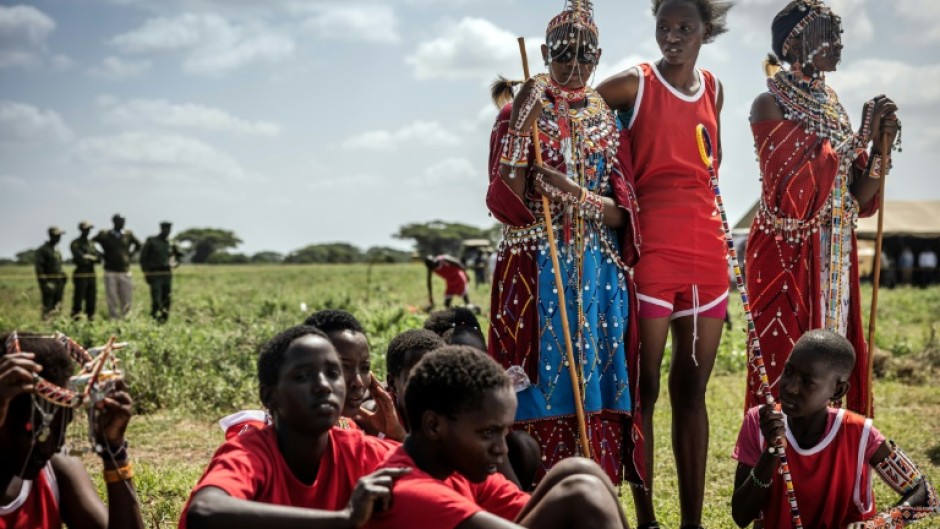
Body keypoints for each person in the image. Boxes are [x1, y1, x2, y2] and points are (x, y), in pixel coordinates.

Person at [486, 0, 643, 488]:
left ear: (598, 57)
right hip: (532, 268)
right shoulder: (518, 111)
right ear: (544, 52)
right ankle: (532, 489)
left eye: (585, 55)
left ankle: (594, 490)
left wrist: (574, 195)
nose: (573, 65)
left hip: (597, 270)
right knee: (532, 374)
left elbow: (626, 214)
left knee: (595, 383)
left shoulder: (609, 119)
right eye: (562, 54)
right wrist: (518, 130)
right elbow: (503, 200)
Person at [596, 1, 733, 526]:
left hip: (708, 253)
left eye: (684, 28)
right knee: (646, 389)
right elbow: (577, 108)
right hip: (652, 249)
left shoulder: (716, 90)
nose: (672, 37)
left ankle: (693, 523)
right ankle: (648, 518)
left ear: (706, 32)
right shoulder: (635, 82)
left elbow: (710, 172)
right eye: (664, 27)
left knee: (692, 392)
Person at [742, 0, 899, 417]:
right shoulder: (768, 104)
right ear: (794, 43)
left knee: (831, 363)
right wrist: (861, 137)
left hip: (833, 253)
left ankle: (829, 456)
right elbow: (796, 197)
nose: (838, 44)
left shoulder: (832, 104)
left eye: (837, 34)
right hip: (785, 259)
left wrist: (881, 148)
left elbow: (858, 198)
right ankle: (779, 469)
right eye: (827, 35)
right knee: (789, 367)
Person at [364, 346, 633, 529]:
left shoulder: (454, 468)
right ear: (434, 425)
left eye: (503, 432)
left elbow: (525, 511)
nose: (502, 450)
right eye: (488, 433)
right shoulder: (411, 492)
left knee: (579, 469)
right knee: (582, 495)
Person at [179, 325, 409, 529]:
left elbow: (431, 470)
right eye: (303, 376)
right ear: (269, 396)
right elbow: (204, 511)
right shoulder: (251, 454)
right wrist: (344, 519)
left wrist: (398, 434)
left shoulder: (356, 448)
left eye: (332, 373)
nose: (323, 386)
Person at [731, 330, 939, 529]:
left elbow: (927, 495)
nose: (791, 387)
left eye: (807, 381)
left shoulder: (859, 434)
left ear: (837, 390)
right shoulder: (759, 422)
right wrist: (771, 452)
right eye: (788, 371)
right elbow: (741, 516)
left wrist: (880, 524)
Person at [0, 332, 144, 529]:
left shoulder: (56, 467)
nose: (56, 445)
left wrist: (114, 451)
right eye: (38, 430)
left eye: (61, 431)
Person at [304, 309, 404, 440]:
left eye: (365, 368)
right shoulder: (287, 438)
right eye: (343, 367)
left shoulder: (349, 426)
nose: (358, 382)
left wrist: (395, 434)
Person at [93, 214, 141, 320]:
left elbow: (139, 244)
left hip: (125, 270)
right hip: (110, 271)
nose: (122, 223)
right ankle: (113, 318)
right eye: (119, 221)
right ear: (114, 222)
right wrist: (100, 254)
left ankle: (127, 318)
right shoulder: (105, 234)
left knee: (126, 297)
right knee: (112, 297)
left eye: (123, 221)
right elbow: (92, 242)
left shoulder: (128, 234)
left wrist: (130, 255)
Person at [140, 221, 182, 323]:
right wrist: (146, 273)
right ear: (161, 229)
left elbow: (179, 256)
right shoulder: (152, 241)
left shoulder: (171, 243)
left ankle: (164, 320)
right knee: (156, 300)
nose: (167, 231)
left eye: (169, 229)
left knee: (167, 299)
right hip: (155, 273)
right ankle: (154, 319)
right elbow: (143, 258)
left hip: (167, 273)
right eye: (165, 229)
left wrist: (175, 264)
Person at [70, 221, 101, 320]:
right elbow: (81, 259)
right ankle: (76, 319)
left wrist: (89, 257)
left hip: (91, 274)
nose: (87, 231)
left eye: (88, 229)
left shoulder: (91, 243)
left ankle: (90, 319)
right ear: (81, 230)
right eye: (85, 229)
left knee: (91, 298)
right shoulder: (75, 243)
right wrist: (91, 258)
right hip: (80, 273)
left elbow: (99, 258)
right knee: (78, 298)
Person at [34, 227, 67, 318]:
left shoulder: (57, 249)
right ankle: (46, 326)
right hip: (49, 282)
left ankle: (56, 325)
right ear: (51, 236)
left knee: (58, 305)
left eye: (60, 236)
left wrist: (63, 274)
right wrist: (45, 283)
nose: (59, 238)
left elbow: (58, 265)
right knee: (48, 306)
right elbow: (39, 269)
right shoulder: (42, 250)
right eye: (57, 236)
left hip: (59, 282)